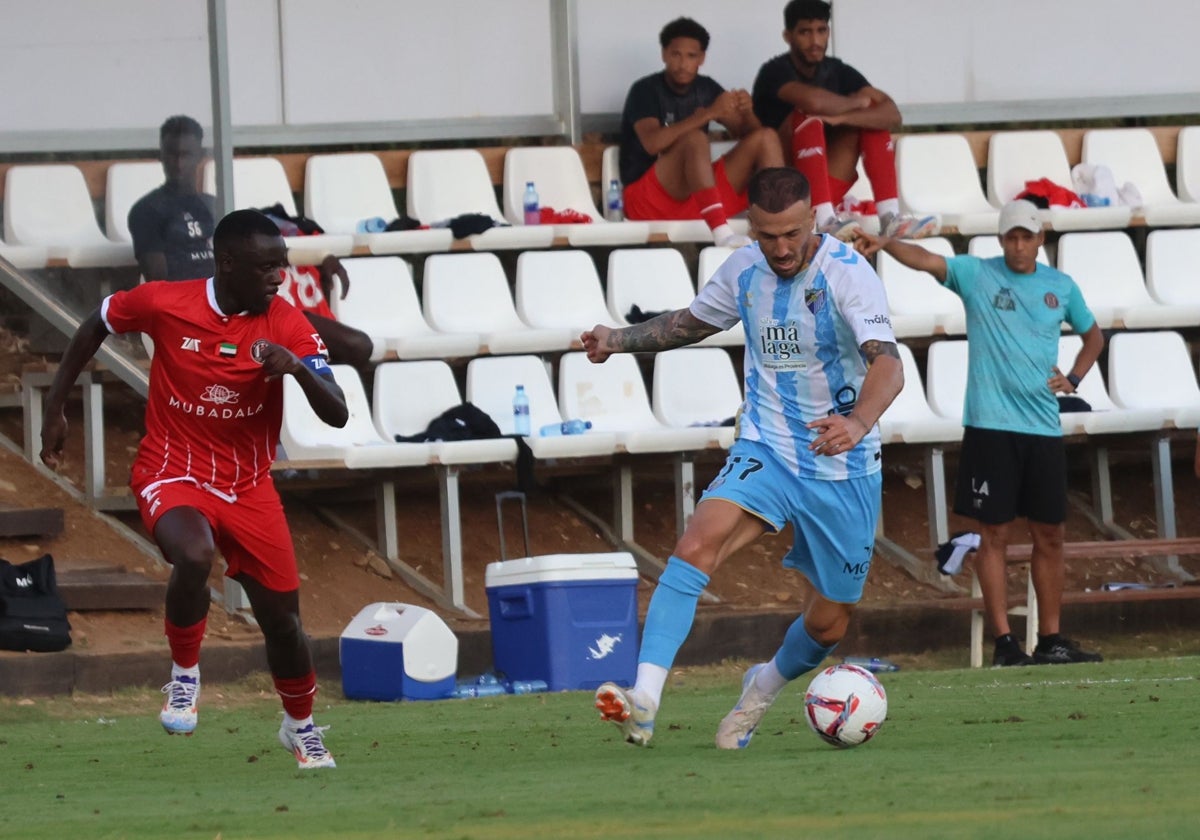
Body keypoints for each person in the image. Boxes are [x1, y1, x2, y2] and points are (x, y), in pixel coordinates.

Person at [584, 167, 904, 749]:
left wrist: (857, 424)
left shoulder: (849, 275)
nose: (780, 249)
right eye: (766, 236)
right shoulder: (743, 271)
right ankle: (645, 699)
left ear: (813, 219)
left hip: (843, 465)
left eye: (791, 234)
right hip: (768, 445)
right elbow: (687, 324)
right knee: (696, 543)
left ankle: (762, 685)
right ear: (750, 227)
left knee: (829, 622)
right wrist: (616, 339)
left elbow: (889, 363)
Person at [40, 210, 349, 769]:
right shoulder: (165, 302)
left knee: (284, 623)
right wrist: (56, 405)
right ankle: (185, 676)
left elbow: (339, 413)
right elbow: (97, 322)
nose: (280, 277)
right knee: (194, 552)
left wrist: (300, 372)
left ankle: (300, 727)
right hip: (172, 468)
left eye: (283, 264)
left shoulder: (285, 322)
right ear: (227, 264)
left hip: (249, 485)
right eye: (268, 266)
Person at [854, 199, 1105, 666]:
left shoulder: (1060, 286)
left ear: (1039, 239)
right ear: (1001, 239)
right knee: (993, 535)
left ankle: (1050, 638)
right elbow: (929, 261)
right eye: (1010, 236)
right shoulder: (977, 274)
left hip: (1042, 428)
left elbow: (1094, 336)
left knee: (1050, 534)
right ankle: (1005, 643)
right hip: (990, 426)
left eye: (1026, 236)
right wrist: (887, 243)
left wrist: (1073, 378)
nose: (1017, 245)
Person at [128, 115, 373, 368]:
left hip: (256, 308)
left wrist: (322, 256)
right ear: (161, 155)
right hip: (209, 322)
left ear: (200, 156)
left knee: (358, 345)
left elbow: (259, 252)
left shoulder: (215, 206)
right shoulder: (147, 211)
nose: (178, 164)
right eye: (171, 154)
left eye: (186, 155)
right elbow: (158, 284)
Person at [751, 0, 934, 240]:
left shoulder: (837, 70)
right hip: (783, 192)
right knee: (808, 115)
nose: (815, 41)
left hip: (825, 183)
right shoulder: (774, 71)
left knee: (872, 120)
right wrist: (856, 103)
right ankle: (824, 220)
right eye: (805, 32)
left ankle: (889, 217)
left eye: (821, 30)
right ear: (788, 36)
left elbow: (891, 114)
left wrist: (843, 118)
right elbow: (813, 102)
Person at [619, 17, 784, 248]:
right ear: (664, 54)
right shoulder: (644, 90)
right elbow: (652, 143)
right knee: (695, 138)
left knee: (766, 137)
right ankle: (721, 233)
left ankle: (776, 228)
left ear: (702, 58)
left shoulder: (707, 88)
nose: (683, 63)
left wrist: (748, 113)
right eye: (676, 54)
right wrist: (706, 115)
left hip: (701, 198)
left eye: (691, 56)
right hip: (649, 200)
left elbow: (751, 135)